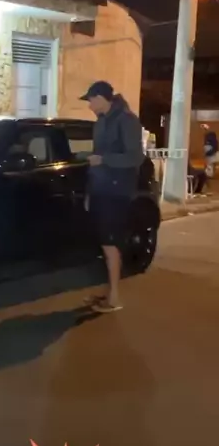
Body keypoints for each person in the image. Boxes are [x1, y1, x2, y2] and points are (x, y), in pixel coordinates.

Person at [81, 81, 144, 313]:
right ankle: (109, 292)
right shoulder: (102, 121)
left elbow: (135, 157)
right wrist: (90, 190)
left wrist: (104, 160)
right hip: (101, 189)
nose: (89, 106)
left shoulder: (126, 120)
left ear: (101, 98)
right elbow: (97, 158)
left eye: (91, 100)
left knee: (110, 243)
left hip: (117, 191)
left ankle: (115, 298)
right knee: (104, 243)